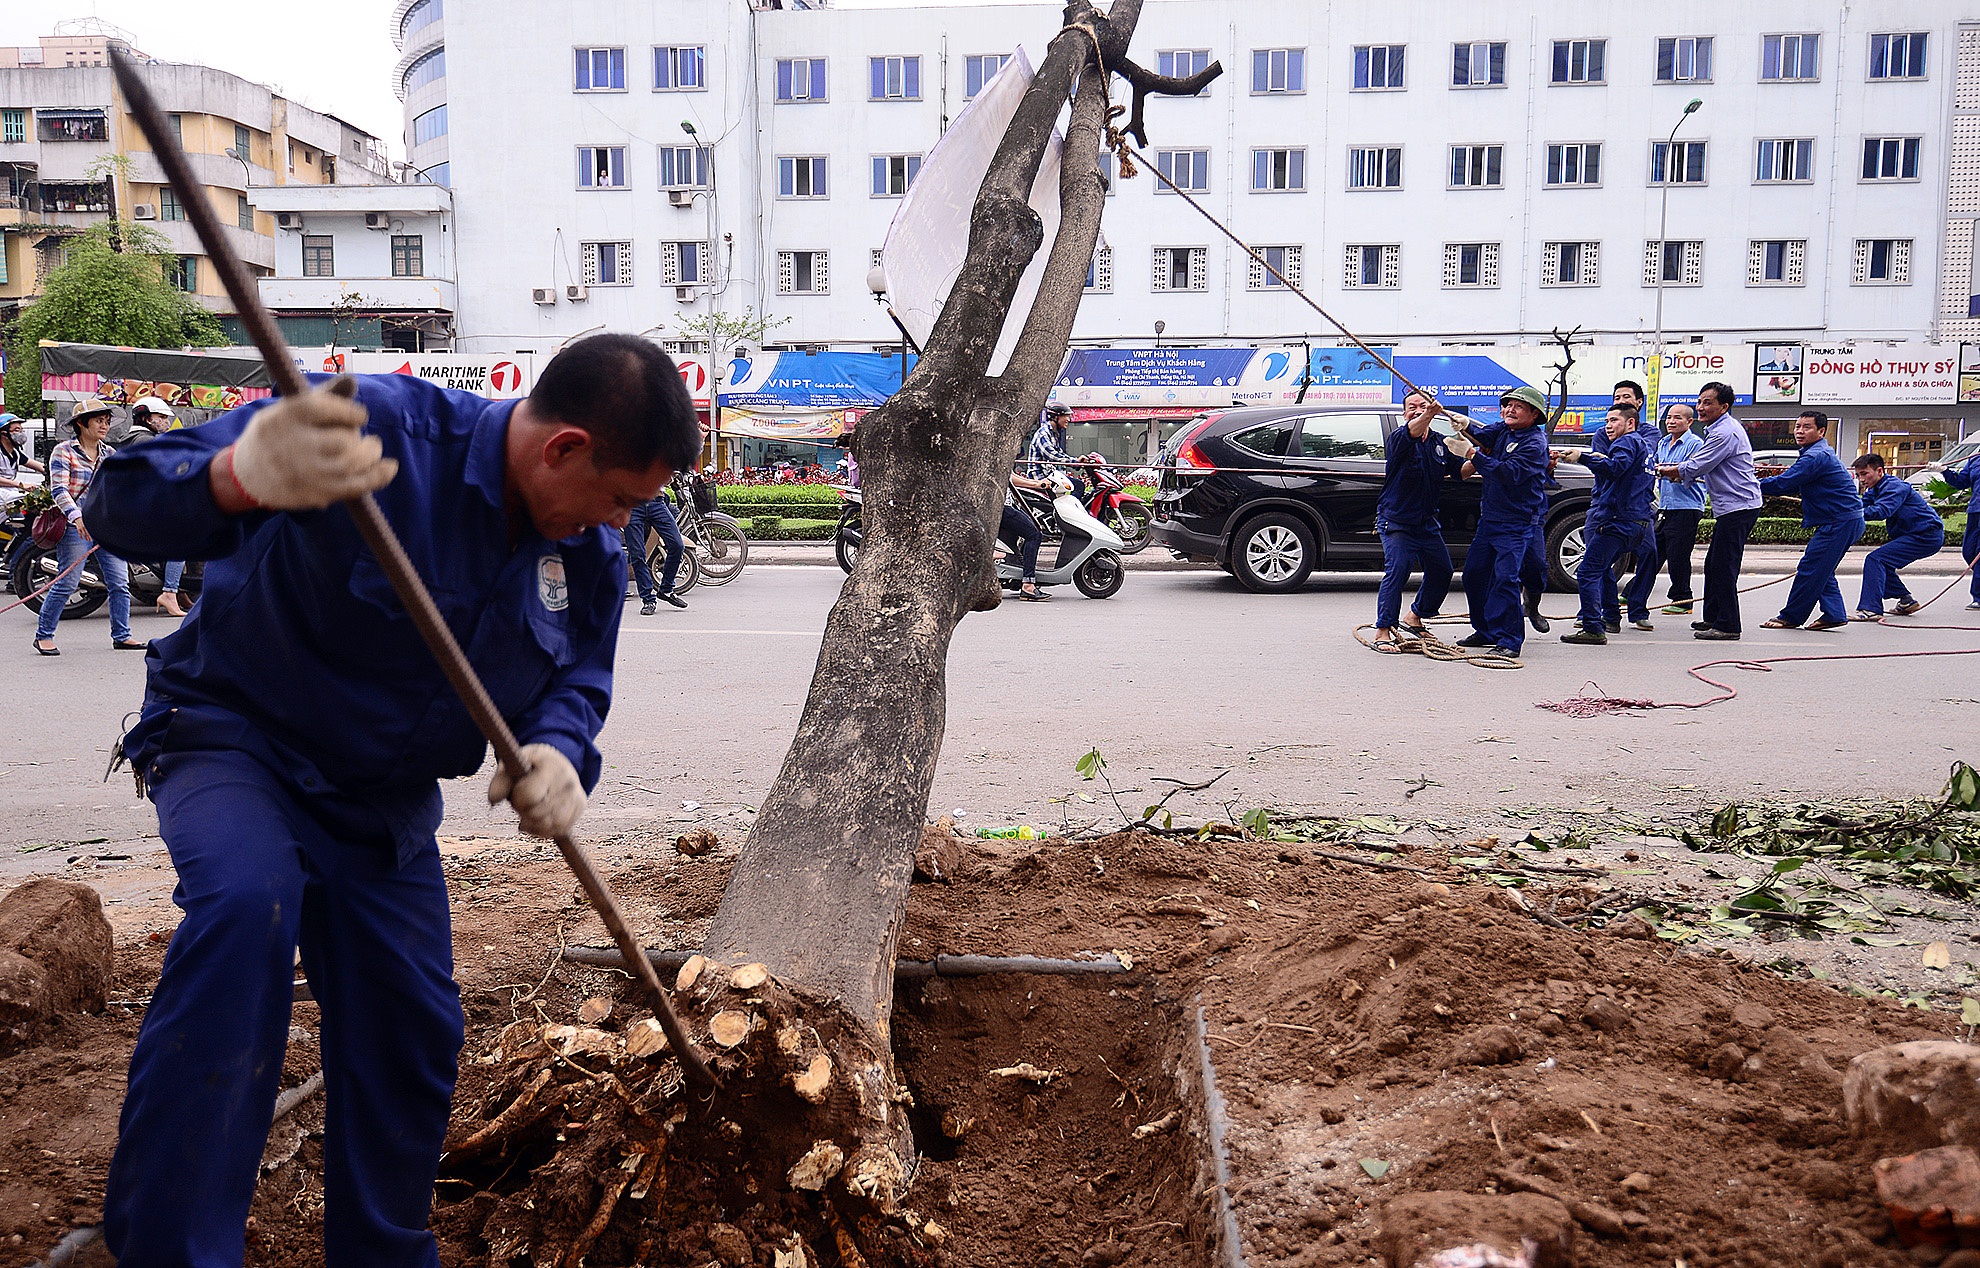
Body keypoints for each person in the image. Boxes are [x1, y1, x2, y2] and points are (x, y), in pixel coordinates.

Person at [82, 333, 701, 1266]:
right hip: (238, 739)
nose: (619, 526)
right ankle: (170, 1246)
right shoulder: (374, 430)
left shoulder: (586, 558)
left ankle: (379, 1253)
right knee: (247, 911)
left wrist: (560, 751)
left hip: (381, 797)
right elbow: (117, 500)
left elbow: (577, 681)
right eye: (619, 499)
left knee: (412, 1019)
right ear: (564, 448)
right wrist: (235, 477)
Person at [33, 398, 140, 656]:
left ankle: (122, 635)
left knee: (120, 583)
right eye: (98, 421)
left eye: (106, 421)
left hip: (103, 528)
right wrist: (77, 516)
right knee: (68, 582)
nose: (104, 425)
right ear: (81, 424)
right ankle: (43, 635)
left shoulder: (109, 454)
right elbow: (58, 488)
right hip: (74, 526)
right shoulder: (63, 451)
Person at [1660, 382, 1762, 640]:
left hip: (1739, 506)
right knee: (1713, 563)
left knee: (1723, 566)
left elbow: (1699, 464)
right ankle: (1713, 617)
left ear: (1723, 406)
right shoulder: (1716, 429)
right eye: (1700, 401)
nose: (1701, 407)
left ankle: (1728, 625)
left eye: (1708, 402)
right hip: (1731, 506)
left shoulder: (1723, 433)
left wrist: (1670, 471)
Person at [1457, 386, 1551, 658]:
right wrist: (1464, 426)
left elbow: (1508, 473)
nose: (1509, 410)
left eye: (1518, 406)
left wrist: (1474, 455)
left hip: (1517, 521)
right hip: (1490, 519)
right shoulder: (1503, 430)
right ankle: (1485, 630)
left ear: (1534, 414)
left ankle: (1509, 640)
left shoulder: (1534, 443)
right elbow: (1482, 433)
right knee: (1474, 575)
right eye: (1507, 405)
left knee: (1506, 578)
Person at [1554, 403, 1656, 644]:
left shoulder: (1625, 442)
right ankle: (1610, 616)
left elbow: (1615, 468)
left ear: (1630, 423)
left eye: (1614, 421)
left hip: (1616, 521)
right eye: (1607, 421)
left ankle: (1592, 627)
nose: (1608, 426)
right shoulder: (1643, 446)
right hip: (1638, 522)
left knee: (1589, 572)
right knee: (1603, 569)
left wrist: (1584, 457)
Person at [1755, 410, 1865, 631]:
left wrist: (1747, 485)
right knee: (1822, 568)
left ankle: (1791, 617)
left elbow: (1785, 482)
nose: (1800, 431)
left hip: (1839, 522)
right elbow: (1794, 483)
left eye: (1807, 427)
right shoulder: (1815, 453)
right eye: (1797, 427)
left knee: (1810, 567)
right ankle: (1834, 614)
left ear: (1821, 431)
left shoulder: (1815, 456)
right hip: (1844, 520)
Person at [1369, 391, 1456, 650]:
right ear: (1404, 413)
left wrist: (1478, 455)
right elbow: (1414, 430)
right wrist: (1429, 412)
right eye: (1411, 407)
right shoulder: (1398, 438)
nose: (1416, 410)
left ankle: (1415, 616)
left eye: (1422, 406)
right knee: (1398, 569)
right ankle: (1383, 630)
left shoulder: (1441, 443)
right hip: (1396, 520)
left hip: (1427, 522)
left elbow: (1461, 471)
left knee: (1443, 570)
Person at [1851, 452, 1943, 619]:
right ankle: (1906, 601)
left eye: (1865, 474)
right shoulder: (1874, 489)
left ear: (1879, 471)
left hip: (1926, 535)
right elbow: (1859, 507)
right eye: (1858, 475)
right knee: (1883, 563)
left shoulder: (1895, 487)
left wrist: (1850, 513)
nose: (1861, 479)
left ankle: (1870, 609)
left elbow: (1881, 511)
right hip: (1913, 535)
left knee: (1875, 559)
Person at [131, 396, 192, 618]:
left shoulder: (134, 438)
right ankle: (170, 592)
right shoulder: (145, 440)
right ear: (146, 418)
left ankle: (182, 591)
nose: (165, 421)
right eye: (161, 417)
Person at [1651, 404, 1706, 615]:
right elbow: (1655, 466)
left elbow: (1690, 469)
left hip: (1687, 506)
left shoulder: (1696, 444)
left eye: (1677, 418)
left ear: (1689, 422)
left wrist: (1669, 471)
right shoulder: (1663, 442)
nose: (1671, 421)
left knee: (1678, 555)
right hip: (1665, 505)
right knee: (1653, 553)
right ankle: (1633, 592)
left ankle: (1683, 600)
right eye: (1669, 418)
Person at [1927, 449, 1980, 610]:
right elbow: (1961, 482)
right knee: (1969, 552)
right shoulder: (1975, 459)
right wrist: (1945, 471)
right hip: (1975, 511)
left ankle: (1978, 596)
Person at [622, 487, 687, 613]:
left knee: (677, 545)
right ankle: (648, 600)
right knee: (637, 555)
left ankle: (666, 589)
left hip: (656, 502)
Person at [1002, 471, 1055, 600]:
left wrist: (1036, 483)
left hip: (1006, 505)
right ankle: (1028, 585)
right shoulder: (996, 454)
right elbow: (1008, 477)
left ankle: (1018, 576)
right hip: (1002, 507)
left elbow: (1012, 474)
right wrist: (1036, 484)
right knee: (1034, 535)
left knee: (1033, 529)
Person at [1027, 402, 1086, 499]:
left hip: (1050, 475)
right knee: (1078, 486)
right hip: (1040, 477)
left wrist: (1077, 462)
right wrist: (1075, 462)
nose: (1068, 420)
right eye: (1066, 416)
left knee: (1077, 485)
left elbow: (1060, 454)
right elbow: (1053, 456)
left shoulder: (1054, 433)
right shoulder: (1043, 434)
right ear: (1055, 417)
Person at [0, 412, 47, 504]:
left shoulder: (16, 453)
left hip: (9, 495)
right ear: (4, 434)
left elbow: (39, 466)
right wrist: (21, 485)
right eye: (17, 430)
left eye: (21, 430)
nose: (21, 433)